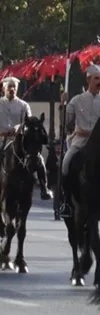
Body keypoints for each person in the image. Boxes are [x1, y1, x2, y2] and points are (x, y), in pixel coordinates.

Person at [0, 77, 52, 200]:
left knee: (38, 159)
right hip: (0, 140)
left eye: (14, 87)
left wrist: (18, 126)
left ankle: (44, 188)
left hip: (18, 139)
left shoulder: (23, 105)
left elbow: (29, 122)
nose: (12, 89)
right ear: (3, 88)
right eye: (9, 87)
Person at [60, 63, 100, 218]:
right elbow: (66, 123)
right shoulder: (77, 100)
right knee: (65, 164)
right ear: (89, 80)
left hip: (99, 143)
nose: (99, 82)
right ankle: (66, 202)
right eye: (97, 79)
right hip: (81, 141)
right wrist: (62, 105)